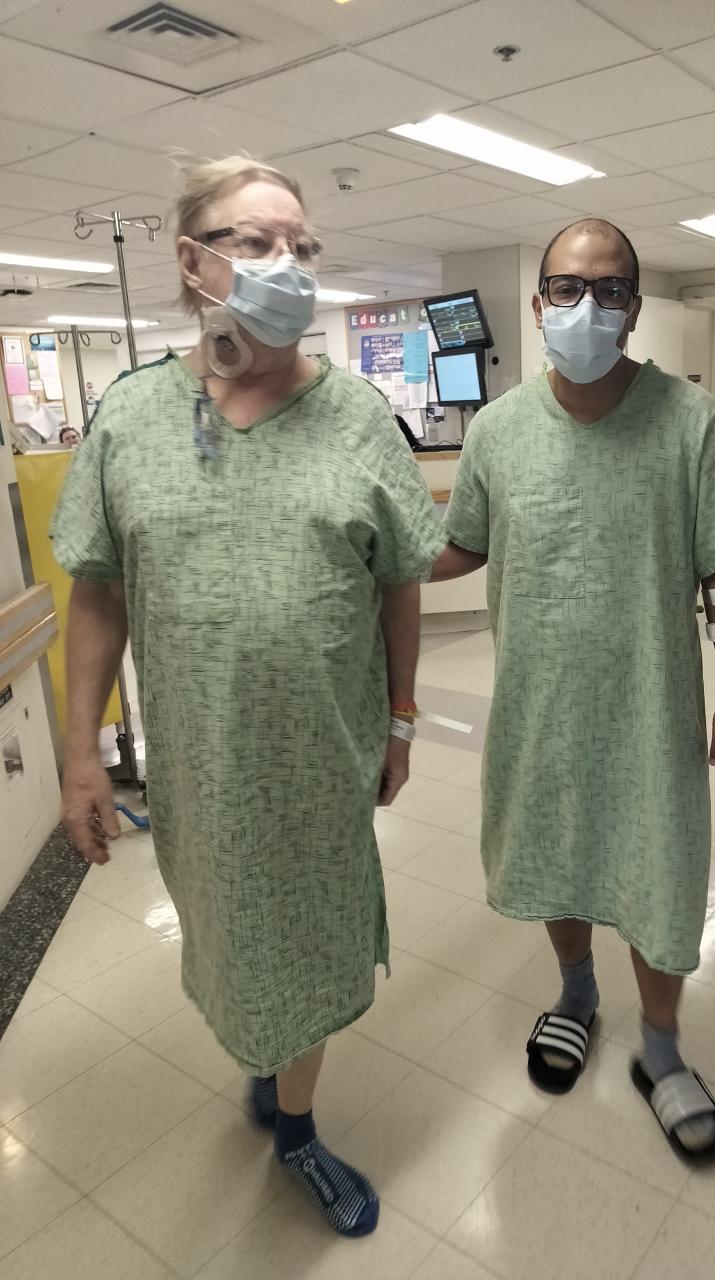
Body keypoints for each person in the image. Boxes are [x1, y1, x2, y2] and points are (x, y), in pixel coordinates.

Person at [52, 155, 444, 1237]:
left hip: (323, 757)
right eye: (260, 242)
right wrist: (82, 751)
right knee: (231, 937)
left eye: (303, 247)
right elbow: (97, 588)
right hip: (203, 765)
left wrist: (403, 714)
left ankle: (300, 1127)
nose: (291, 265)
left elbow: (400, 579)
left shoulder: (358, 417)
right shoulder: (131, 418)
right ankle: (273, 1064)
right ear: (193, 262)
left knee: (310, 942)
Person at [432, 218, 715, 1162]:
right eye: (568, 289)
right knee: (555, 850)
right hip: (541, 708)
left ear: (633, 308)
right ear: (539, 306)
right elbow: (467, 542)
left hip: (652, 711)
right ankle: (576, 994)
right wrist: (379, 555)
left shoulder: (688, 421)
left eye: (610, 289)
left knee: (660, 871)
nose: (588, 306)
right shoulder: (498, 430)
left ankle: (660, 1052)